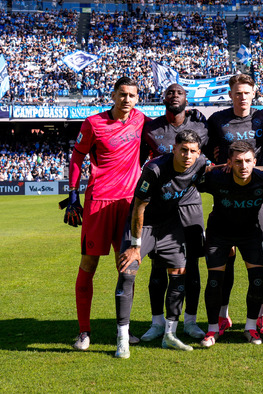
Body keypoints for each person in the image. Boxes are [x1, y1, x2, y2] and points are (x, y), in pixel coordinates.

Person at [67, 76, 149, 351]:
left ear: (138, 99)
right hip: (99, 202)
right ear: (113, 96)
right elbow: (77, 156)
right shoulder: (93, 123)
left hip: (128, 205)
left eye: (132, 95)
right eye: (122, 94)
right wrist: (73, 193)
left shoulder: (141, 121)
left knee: (128, 267)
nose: (127, 100)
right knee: (89, 265)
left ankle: (123, 330)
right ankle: (83, 332)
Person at [114, 131, 207, 358]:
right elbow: (138, 208)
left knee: (179, 272)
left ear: (199, 153)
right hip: (143, 225)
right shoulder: (154, 170)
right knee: (128, 272)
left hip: (170, 226)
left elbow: (216, 171)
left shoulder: (201, 164)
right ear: (173, 149)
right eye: (183, 150)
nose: (187, 155)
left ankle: (170, 335)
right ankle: (122, 339)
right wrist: (135, 245)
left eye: (192, 151)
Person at [206, 74, 263, 336]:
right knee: (225, 254)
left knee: (260, 255)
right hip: (226, 193)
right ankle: (222, 315)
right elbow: (207, 153)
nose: (242, 97)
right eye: (237, 93)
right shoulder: (218, 120)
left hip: (254, 196)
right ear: (230, 94)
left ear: (254, 93)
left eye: (246, 92)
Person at [139, 83, 209, 342]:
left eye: (179, 93)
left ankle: (190, 321)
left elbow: (208, 160)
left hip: (190, 205)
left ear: (186, 98)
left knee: (192, 264)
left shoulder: (201, 125)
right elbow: (140, 164)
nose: (174, 96)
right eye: (169, 92)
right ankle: (157, 323)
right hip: (160, 205)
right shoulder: (152, 127)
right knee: (158, 266)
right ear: (164, 98)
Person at [197, 140, 263, 347]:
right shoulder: (216, 178)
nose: (243, 166)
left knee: (257, 280)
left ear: (255, 162)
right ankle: (212, 330)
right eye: (237, 162)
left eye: (247, 161)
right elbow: (190, 178)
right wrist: (212, 166)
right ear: (229, 163)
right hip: (219, 233)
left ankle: (251, 327)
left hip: (250, 234)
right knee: (215, 280)